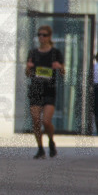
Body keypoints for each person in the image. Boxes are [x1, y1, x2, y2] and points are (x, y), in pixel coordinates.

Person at [25, 25, 64, 159]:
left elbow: (63, 72)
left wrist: (59, 67)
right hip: (35, 89)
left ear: (49, 37)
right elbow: (28, 73)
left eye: (44, 35)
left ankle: (51, 141)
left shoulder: (55, 53)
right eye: (39, 35)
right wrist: (28, 68)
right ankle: (40, 148)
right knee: (36, 120)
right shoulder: (33, 53)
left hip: (49, 90)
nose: (41, 37)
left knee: (46, 121)